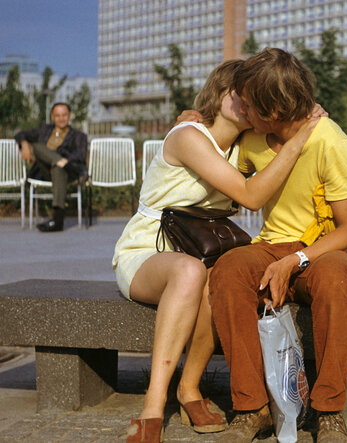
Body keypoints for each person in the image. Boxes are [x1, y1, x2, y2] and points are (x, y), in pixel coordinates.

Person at [112, 59, 320, 443]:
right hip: (146, 252)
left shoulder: (243, 148)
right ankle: (154, 406)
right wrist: (300, 138)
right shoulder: (188, 136)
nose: (243, 98)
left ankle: (188, 388)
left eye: (251, 93)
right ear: (218, 90)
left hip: (198, 257)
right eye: (235, 89)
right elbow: (251, 196)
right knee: (192, 271)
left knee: (217, 272)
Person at [204, 48, 347, 443]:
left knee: (335, 282)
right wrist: (194, 121)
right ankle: (251, 409)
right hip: (270, 245)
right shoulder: (252, 136)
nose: (242, 108)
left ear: (274, 109)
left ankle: (329, 414)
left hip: (323, 250)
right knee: (229, 269)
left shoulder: (332, 143)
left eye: (248, 103)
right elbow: (213, 154)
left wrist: (295, 260)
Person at [14, 102, 88, 232]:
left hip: (69, 173)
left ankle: (58, 220)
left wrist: (66, 161)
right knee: (37, 147)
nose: (61, 118)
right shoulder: (44, 130)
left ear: (69, 116)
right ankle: (60, 163)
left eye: (64, 115)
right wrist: (24, 144)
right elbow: (20, 134)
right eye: (57, 115)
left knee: (58, 169)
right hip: (45, 172)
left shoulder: (79, 136)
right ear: (52, 117)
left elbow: (80, 155)